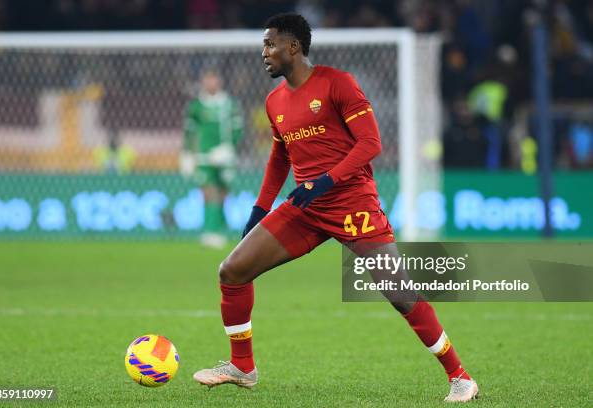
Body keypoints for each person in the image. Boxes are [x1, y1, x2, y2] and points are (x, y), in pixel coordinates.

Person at [193, 13, 478, 402]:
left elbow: (370, 143)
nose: (264, 53)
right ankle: (243, 367)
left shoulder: (337, 83)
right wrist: (260, 210)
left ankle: (460, 377)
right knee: (232, 270)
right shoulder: (275, 101)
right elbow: (280, 158)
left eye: (270, 44)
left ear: (293, 47)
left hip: (351, 202)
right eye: (264, 45)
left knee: (399, 291)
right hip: (306, 207)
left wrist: (326, 179)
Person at [181, 70, 243, 248]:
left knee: (223, 193)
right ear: (203, 82)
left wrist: (229, 147)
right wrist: (186, 154)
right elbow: (189, 132)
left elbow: (238, 129)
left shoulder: (230, 105)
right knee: (208, 192)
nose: (211, 83)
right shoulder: (196, 106)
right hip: (203, 157)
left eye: (214, 80)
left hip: (225, 156)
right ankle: (210, 231)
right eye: (208, 80)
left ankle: (220, 229)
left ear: (219, 82)